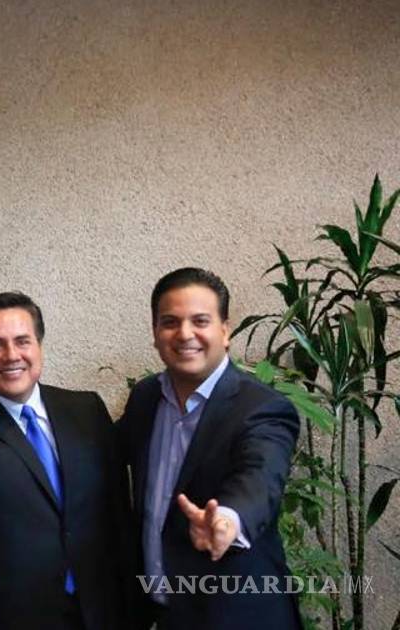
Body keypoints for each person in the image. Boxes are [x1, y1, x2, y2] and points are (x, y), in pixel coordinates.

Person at [0, 292, 129, 629]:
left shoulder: (87, 409)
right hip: (8, 617)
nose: (11, 355)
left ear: (39, 346)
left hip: (97, 611)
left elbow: (118, 510)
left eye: (22, 341)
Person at [117, 267, 300, 629]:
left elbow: (260, 476)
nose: (185, 334)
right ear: (155, 333)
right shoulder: (145, 397)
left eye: (200, 321)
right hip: (164, 613)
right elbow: (102, 455)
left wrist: (229, 519)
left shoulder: (262, 407)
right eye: (170, 322)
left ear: (225, 331)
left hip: (237, 616)